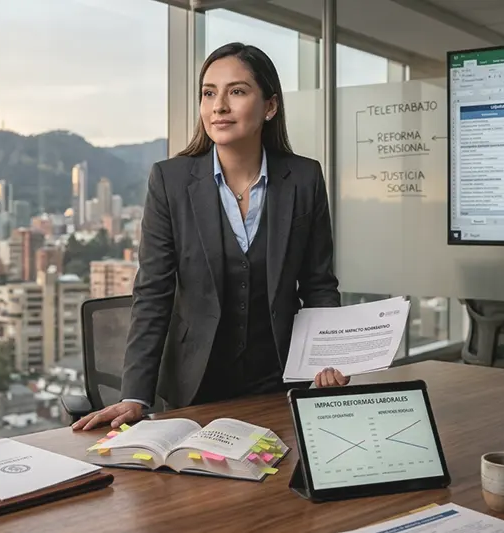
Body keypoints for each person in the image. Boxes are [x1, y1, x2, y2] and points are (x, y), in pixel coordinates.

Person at [74, 43, 348, 431]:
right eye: (208, 93)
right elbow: (153, 292)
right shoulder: (170, 181)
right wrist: (134, 395)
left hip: (280, 383)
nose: (218, 106)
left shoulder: (303, 179)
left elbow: (319, 285)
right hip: (193, 386)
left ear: (270, 106)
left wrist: (328, 359)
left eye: (236, 91)